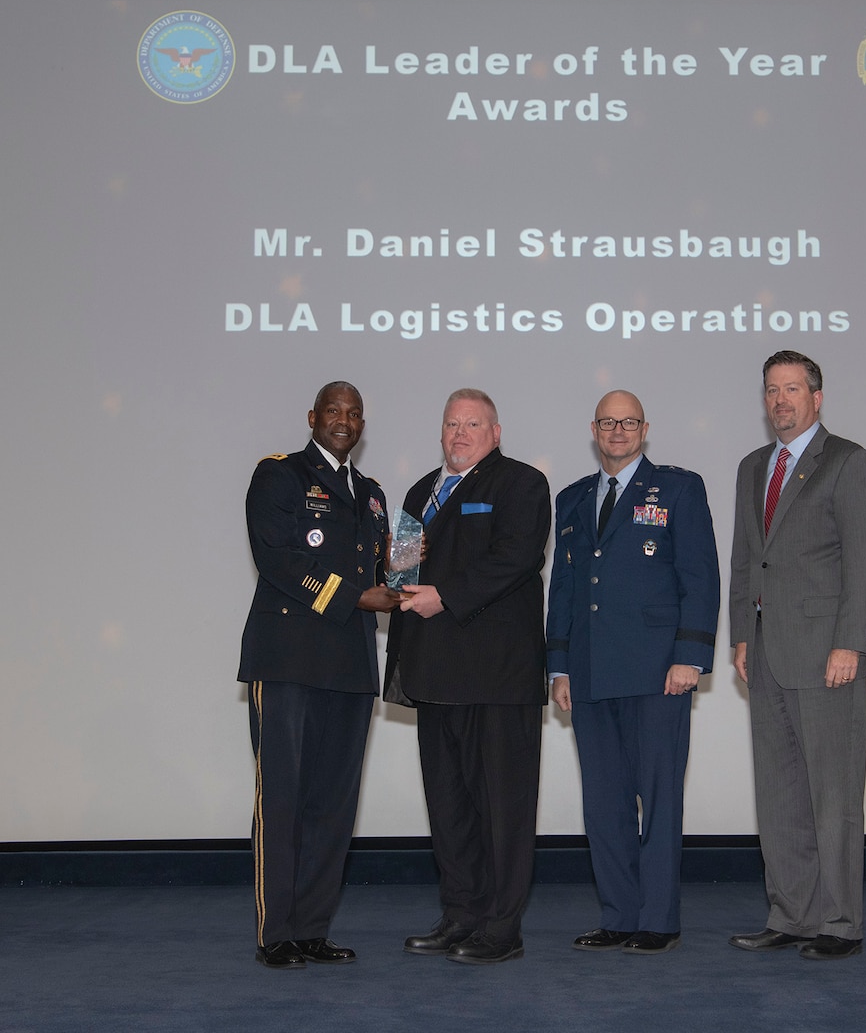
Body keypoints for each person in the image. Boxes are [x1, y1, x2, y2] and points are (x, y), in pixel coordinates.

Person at [547, 391, 721, 955]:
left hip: (656, 672)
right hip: (591, 674)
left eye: (627, 422)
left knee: (659, 799)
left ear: (644, 429)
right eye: (607, 422)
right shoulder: (571, 498)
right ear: (593, 428)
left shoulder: (678, 488)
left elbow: (700, 576)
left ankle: (657, 919)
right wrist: (559, 665)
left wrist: (689, 657)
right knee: (604, 804)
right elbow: (566, 588)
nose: (617, 431)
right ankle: (619, 914)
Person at [236, 381, 399, 969]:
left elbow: (386, 566)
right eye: (334, 410)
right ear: (313, 417)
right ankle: (274, 932)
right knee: (283, 797)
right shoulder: (279, 475)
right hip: (288, 660)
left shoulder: (374, 494)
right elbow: (279, 559)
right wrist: (358, 598)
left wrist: (412, 565)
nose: (344, 420)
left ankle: (311, 929)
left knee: (333, 803)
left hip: (352, 665)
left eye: (354, 413)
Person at [728, 351, 866, 960]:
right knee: (780, 794)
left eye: (793, 389)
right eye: (771, 390)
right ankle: (791, 914)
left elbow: (865, 560)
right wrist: (742, 633)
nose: (781, 401)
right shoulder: (751, 467)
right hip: (765, 654)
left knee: (834, 796)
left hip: (826, 655)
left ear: (817, 398)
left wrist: (851, 642)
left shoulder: (847, 461)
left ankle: (841, 923)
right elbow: (746, 559)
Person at [389, 388, 552, 965]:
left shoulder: (522, 484)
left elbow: (517, 557)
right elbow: (403, 569)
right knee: (449, 805)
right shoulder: (416, 493)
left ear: (496, 432)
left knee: (503, 806)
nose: (460, 434)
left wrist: (447, 595)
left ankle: (502, 928)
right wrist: (390, 576)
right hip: (433, 675)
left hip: (497, 677)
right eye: (451, 424)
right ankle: (460, 914)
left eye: (473, 424)